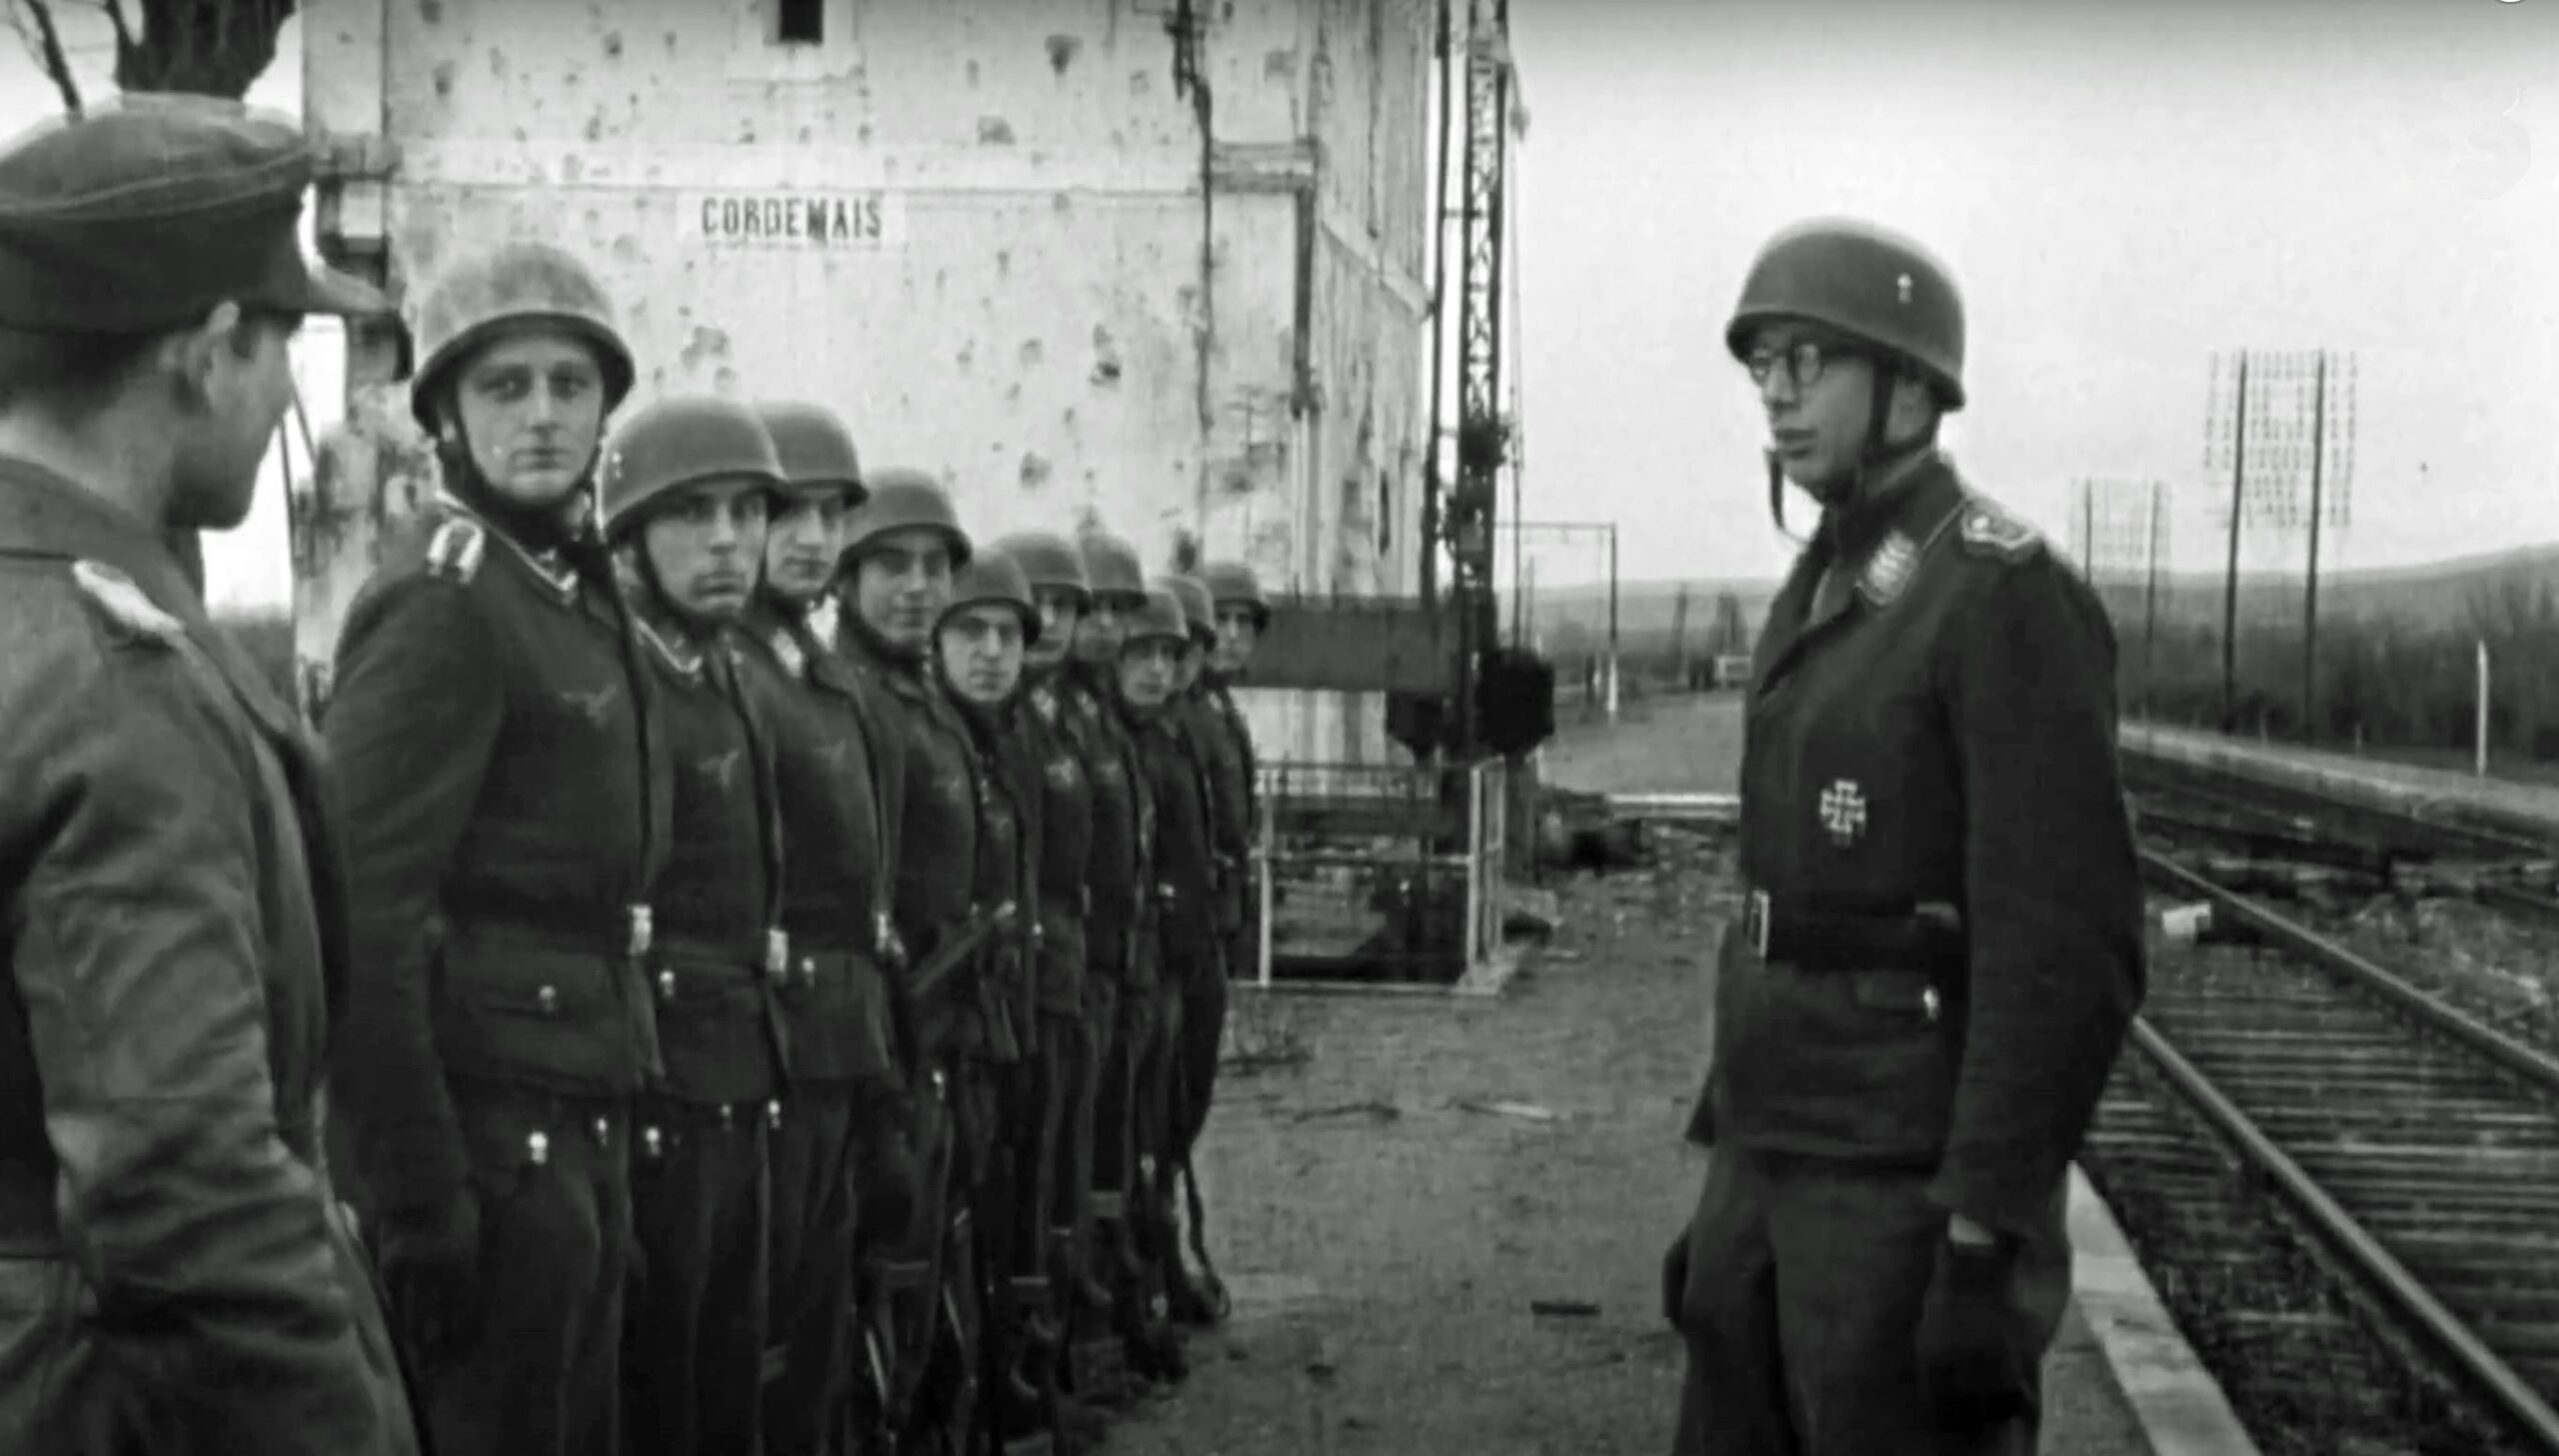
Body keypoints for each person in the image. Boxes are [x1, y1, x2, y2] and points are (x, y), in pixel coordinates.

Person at [1664, 217, 2145, 1456]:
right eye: (1761, 364)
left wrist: (1985, 1240)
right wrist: (1733, 1176)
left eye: (1807, 360)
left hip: (1900, 1187)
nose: (1773, 396)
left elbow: (2064, 954)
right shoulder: (1825, 582)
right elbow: (1789, 895)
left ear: (1912, 385)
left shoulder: (1996, 595)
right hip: (1779, 1156)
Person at [0, 98, 419, 1453]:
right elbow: (185, 1190)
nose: (288, 389)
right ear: (208, 348)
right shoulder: (117, 678)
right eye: (282, 341)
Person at [325, 238, 659, 1456]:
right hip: (486, 1142)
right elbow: (360, 914)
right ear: (448, 420)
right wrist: (418, 1202)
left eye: (569, 386)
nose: (541, 415)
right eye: (504, 386)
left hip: (578, 1116)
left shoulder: (563, 586)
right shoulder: (445, 599)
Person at [595, 396, 793, 1456]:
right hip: (658, 1084)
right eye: (692, 515)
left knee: (732, 1372)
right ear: (627, 536)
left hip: (740, 1076)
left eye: (745, 513)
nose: (727, 541)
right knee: (654, 1385)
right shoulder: (624, 680)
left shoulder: (730, 674)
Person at [737, 400, 905, 1456]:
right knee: (763, 1316)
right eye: (785, 510)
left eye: (829, 514)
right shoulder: (738, 670)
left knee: (824, 1291)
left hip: (844, 1028)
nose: (809, 536)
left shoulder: (818, 668)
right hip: (772, 1040)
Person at [834, 470, 999, 1450]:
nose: (916, 585)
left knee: (928, 1261)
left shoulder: (920, 701)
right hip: (880, 1044)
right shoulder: (856, 701)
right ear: (849, 579)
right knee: (875, 1286)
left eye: (934, 566)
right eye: (891, 564)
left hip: (941, 1035)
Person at [933, 547, 1074, 1451]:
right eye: (971, 632)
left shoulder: (997, 741)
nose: (992, 652)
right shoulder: (936, 738)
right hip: (938, 1043)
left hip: (1000, 1028)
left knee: (996, 1221)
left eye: (1006, 636)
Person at [1063, 530, 1164, 1406]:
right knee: (1064, 1176)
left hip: (1112, 970)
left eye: (1115, 613)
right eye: (1088, 610)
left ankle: (1099, 1335)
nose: (1101, 630)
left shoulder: (1103, 721)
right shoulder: (1053, 716)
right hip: (1070, 980)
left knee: (1107, 1158)